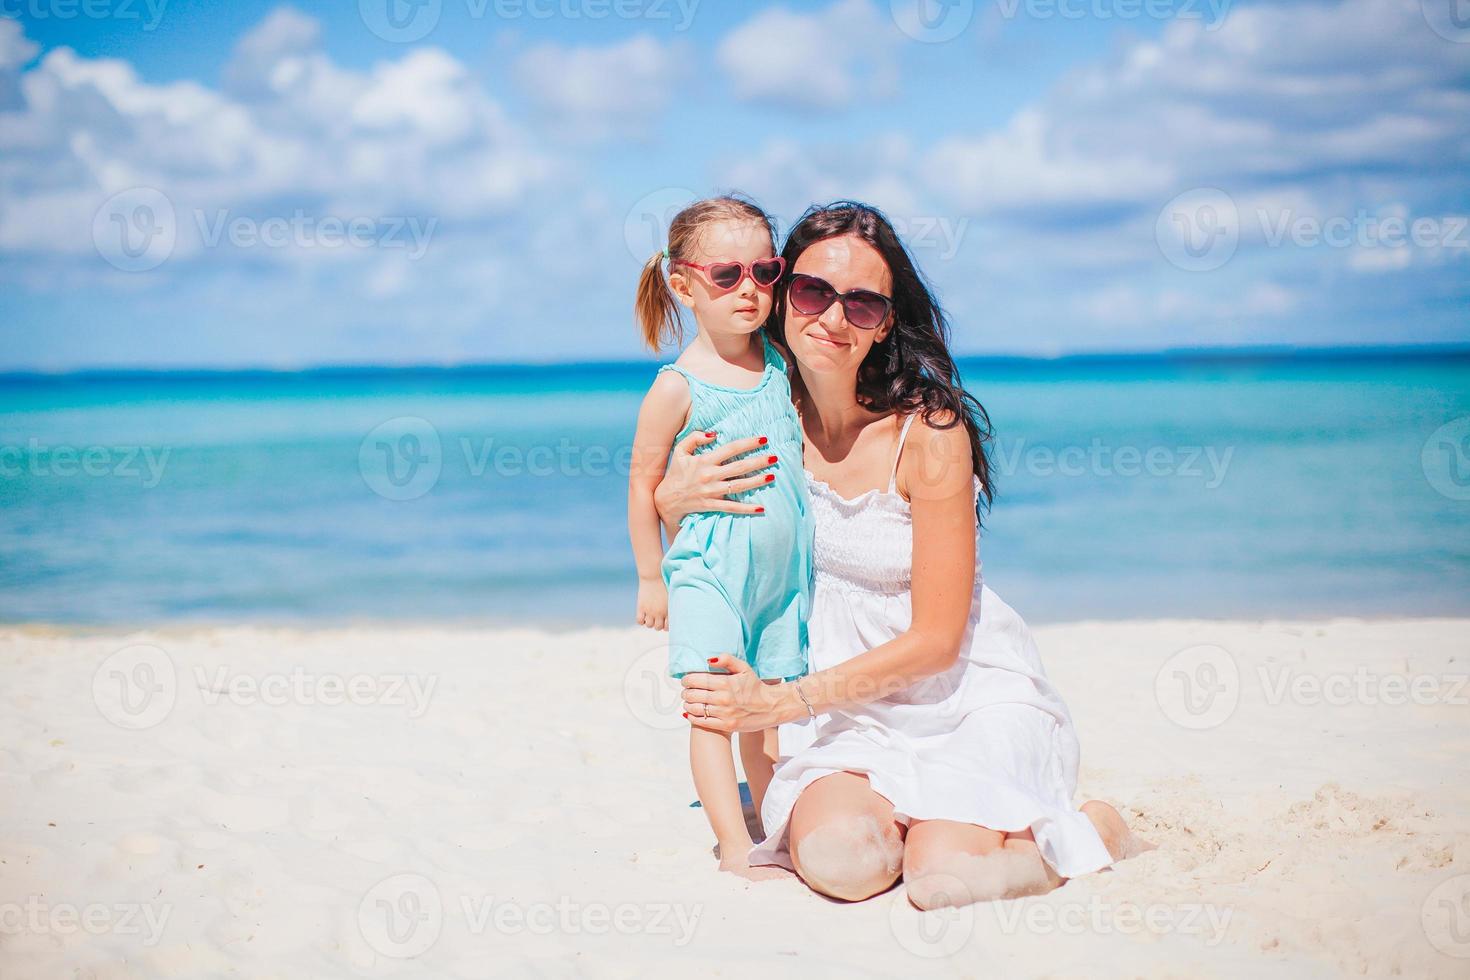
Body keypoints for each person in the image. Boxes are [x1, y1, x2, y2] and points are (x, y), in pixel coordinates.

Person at [655, 201, 1148, 907]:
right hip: (844, 712)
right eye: (812, 290)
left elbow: (938, 641)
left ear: (885, 321)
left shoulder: (931, 433)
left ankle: (1094, 830)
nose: (832, 317)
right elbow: (719, 563)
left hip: (960, 697)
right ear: (778, 291)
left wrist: (781, 701)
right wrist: (673, 506)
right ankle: (922, 825)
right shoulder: (757, 416)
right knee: (839, 863)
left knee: (942, 879)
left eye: (861, 304)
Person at [627, 194, 816, 880]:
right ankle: (735, 848)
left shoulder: (781, 364)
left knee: (764, 711)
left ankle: (772, 826)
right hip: (709, 570)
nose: (751, 291)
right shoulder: (677, 388)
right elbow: (643, 483)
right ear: (683, 284)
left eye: (765, 273)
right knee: (712, 711)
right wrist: (652, 577)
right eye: (726, 275)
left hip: (781, 576)